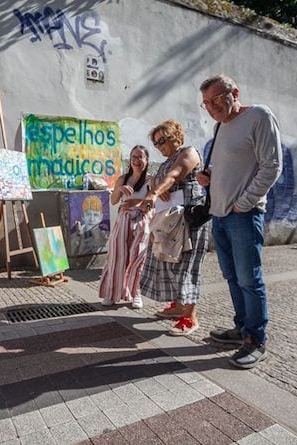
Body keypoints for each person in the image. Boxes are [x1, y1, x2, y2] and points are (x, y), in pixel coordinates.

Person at [197, 74, 282, 369]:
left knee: (249, 279)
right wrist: (208, 180)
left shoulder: (259, 115)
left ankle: (256, 340)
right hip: (219, 215)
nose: (211, 107)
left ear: (234, 92)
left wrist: (243, 204)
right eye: (206, 103)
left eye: (217, 99)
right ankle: (242, 329)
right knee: (232, 277)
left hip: (243, 215)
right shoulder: (221, 125)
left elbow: (272, 166)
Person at [139, 119, 209, 335]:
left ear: (174, 137)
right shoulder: (166, 161)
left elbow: (175, 174)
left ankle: (190, 317)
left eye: (161, 141)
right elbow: (158, 178)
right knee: (170, 263)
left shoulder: (189, 153)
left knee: (188, 266)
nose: (159, 146)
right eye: (156, 143)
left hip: (189, 220)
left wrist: (154, 192)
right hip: (169, 222)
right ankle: (178, 306)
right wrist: (155, 186)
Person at [99, 145, 152, 309]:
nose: (136, 161)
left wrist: (137, 203)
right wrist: (120, 189)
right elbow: (114, 201)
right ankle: (112, 293)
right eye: (134, 157)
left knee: (138, 258)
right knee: (117, 256)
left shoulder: (151, 179)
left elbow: (153, 201)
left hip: (142, 220)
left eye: (140, 157)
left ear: (147, 160)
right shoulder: (123, 179)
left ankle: (136, 293)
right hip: (123, 220)